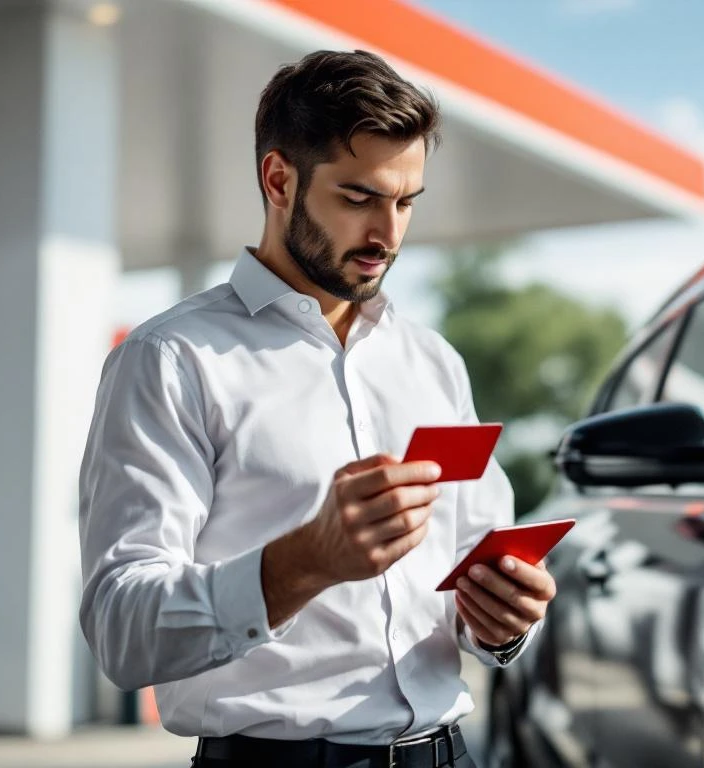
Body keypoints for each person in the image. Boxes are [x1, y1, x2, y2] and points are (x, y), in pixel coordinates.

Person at [78, 49, 556, 768]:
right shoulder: (171, 359)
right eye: (359, 197)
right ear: (279, 179)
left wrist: (503, 621)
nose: (388, 235)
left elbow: (470, 577)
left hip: (448, 755)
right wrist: (302, 562)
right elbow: (122, 629)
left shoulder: (433, 363)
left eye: (405, 202)